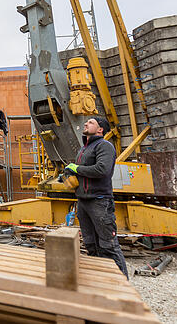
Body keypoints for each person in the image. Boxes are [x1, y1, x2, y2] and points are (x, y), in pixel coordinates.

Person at [61, 117, 129, 278]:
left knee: (108, 246)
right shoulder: (83, 149)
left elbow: (102, 170)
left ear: (100, 130)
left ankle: (122, 285)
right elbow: (82, 171)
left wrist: (76, 168)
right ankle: (101, 280)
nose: (85, 124)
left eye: (90, 123)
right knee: (91, 244)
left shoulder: (104, 146)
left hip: (99, 201)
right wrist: (68, 174)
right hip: (83, 201)